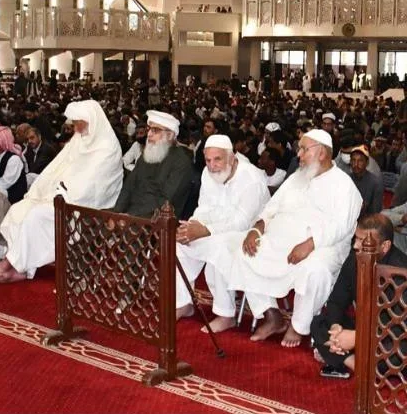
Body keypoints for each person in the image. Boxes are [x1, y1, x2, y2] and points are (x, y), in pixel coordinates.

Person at [202, 130, 362, 347]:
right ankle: (270, 315)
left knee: (314, 270)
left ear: (322, 153)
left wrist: (310, 244)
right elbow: (272, 207)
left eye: (305, 149)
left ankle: (298, 326)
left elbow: (342, 226)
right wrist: (257, 229)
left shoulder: (344, 185)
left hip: (322, 246)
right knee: (244, 251)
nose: (299, 154)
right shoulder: (297, 177)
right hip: (279, 239)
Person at [0, 100, 123, 283]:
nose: (75, 128)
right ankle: (23, 269)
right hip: (61, 194)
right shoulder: (79, 139)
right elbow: (56, 168)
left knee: (35, 216)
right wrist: (41, 190)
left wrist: (63, 193)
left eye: (78, 123)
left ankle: (5, 265)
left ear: (91, 120)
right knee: (20, 209)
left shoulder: (107, 146)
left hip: (84, 202)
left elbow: (94, 184)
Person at [175, 135, 270, 320]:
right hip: (215, 228)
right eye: (208, 160)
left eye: (217, 159)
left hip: (250, 233)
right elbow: (204, 207)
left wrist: (205, 230)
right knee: (181, 243)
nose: (212, 165)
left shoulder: (251, 178)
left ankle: (225, 314)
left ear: (232, 158)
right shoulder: (208, 173)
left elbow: (242, 221)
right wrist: (192, 226)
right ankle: (183, 303)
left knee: (218, 247)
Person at [310, 214, 407, 377]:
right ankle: (359, 365)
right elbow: (336, 300)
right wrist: (336, 328)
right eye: (356, 239)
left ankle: (346, 359)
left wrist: (357, 338)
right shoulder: (356, 258)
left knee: (398, 353)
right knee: (319, 323)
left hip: (390, 337)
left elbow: (399, 327)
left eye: (363, 241)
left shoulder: (401, 272)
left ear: (385, 246)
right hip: (363, 329)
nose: (356, 245)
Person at [110, 111, 194, 219]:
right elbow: (128, 187)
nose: (149, 134)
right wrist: (116, 213)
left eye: (155, 130)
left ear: (170, 135)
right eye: (148, 129)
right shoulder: (146, 156)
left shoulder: (182, 162)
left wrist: (130, 217)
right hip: (130, 216)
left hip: (157, 223)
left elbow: (166, 201)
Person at [348, 146, 383, 217]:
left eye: (360, 161)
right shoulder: (347, 179)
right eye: (353, 160)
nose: (356, 164)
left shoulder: (375, 183)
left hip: (367, 222)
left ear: (366, 163)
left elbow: (375, 213)